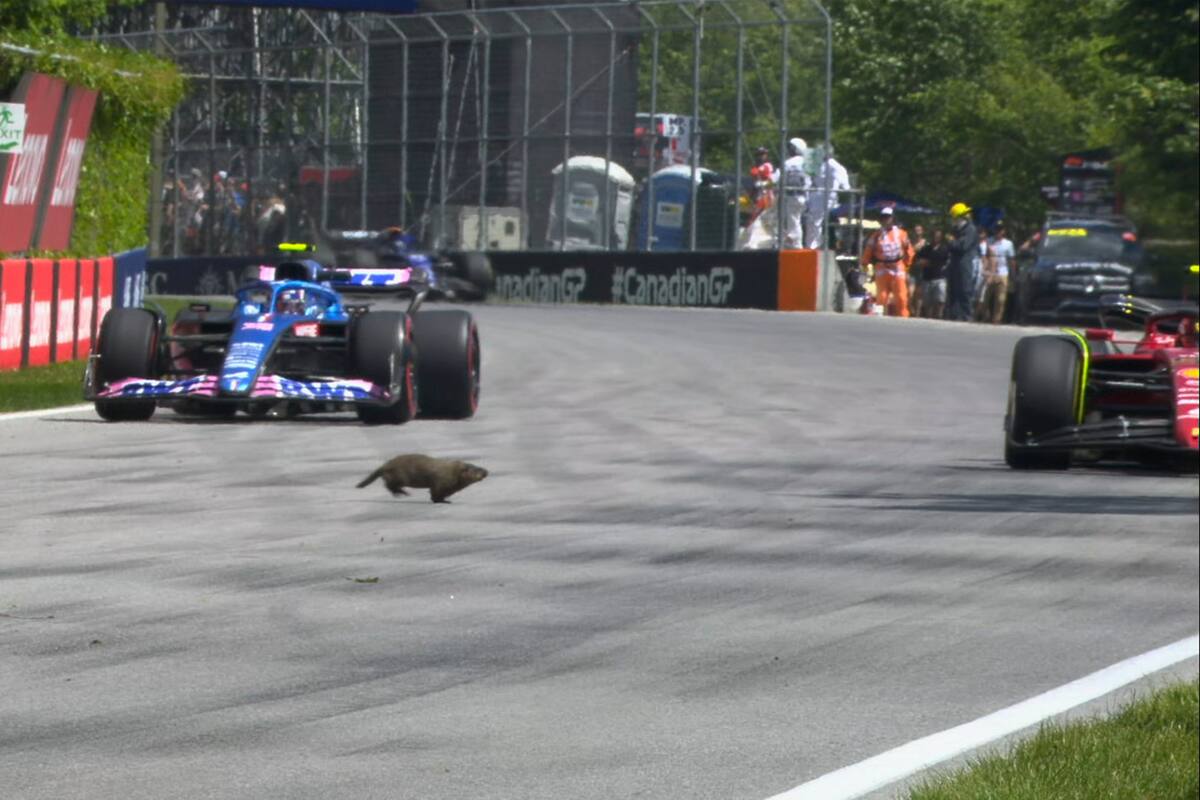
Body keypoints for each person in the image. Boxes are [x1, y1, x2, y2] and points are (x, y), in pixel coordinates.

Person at [860, 206, 915, 317]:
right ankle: (880, 319)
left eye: (888, 217)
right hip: (882, 267)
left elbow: (909, 250)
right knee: (882, 297)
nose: (885, 220)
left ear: (892, 218)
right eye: (883, 217)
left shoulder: (901, 234)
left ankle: (903, 318)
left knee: (901, 297)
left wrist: (907, 265)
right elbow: (868, 250)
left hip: (897, 267)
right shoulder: (876, 235)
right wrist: (865, 264)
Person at [806, 143, 851, 249]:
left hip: (817, 202)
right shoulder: (838, 168)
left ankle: (813, 248)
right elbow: (846, 187)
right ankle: (829, 246)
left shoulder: (817, 167)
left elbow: (809, 182)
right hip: (829, 202)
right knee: (826, 226)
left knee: (815, 227)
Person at [945, 202, 978, 321]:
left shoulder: (970, 229)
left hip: (965, 264)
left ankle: (967, 315)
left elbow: (962, 246)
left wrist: (951, 241)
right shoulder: (956, 230)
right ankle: (954, 315)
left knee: (964, 290)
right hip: (954, 263)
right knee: (953, 289)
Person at [978, 222, 1014, 324]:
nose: (998, 231)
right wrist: (985, 271)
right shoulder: (989, 241)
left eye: (1000, 229)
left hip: (1003, 272)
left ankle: (996, 319)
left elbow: (1011, 260)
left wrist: (1012, 275)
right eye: (996, 229)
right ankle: (984, 317)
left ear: (1003, 231)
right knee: (986, 297)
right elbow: (985, 257)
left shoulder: (1008, 244)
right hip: (990, 273)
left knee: (1000, 299)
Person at [780, 137, 810, 248]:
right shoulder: (809, 161)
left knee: (793, 221)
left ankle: (796, 244)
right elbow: (812, 180)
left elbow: (780, 178)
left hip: (791, 196)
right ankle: (799, 243)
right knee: (800, 221)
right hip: (806, 196)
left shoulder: (788, 163)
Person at [917, 228, 950, 319]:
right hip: (927, 277)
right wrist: (922, 262)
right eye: (934, 236)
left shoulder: (944, 249)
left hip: (940, 277)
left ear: (941, 238)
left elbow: (948, 262)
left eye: (938, 236)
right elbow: (918, 261)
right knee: (927, 300)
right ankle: (929, 316)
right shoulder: (925, 249)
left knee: (940, 299)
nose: (936, 238)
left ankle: (939, 315)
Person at [749, 145, 778, 212]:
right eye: (759, 154)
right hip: (758, 195)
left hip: (767, 194)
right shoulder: (755, 166)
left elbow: (765, 176)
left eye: (763, 154)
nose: (761, 156)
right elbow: (754, 175)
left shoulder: (768, 165)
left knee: (764, 217)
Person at [907, 224, 928, 316]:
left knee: (919, 294)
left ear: (922, 231)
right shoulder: (910, 243)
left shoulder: (926, 243)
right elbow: (908, 253)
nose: (917, 232)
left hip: (921, 270)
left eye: (919, 230)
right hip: (911, 269)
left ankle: (917, 313)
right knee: (910, 293)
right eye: (915, 230)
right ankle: (911, 309)